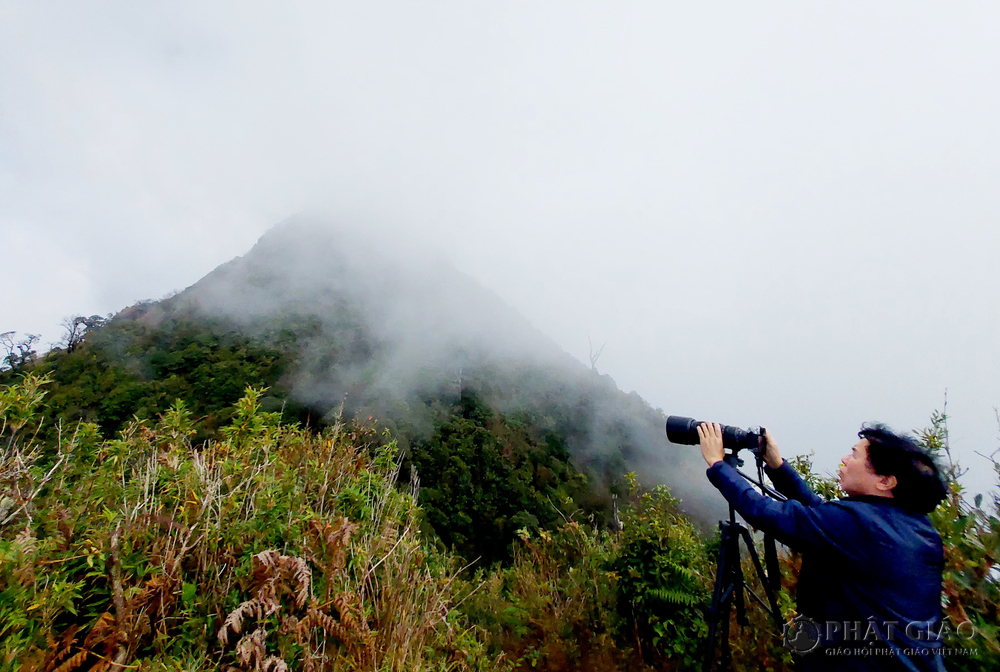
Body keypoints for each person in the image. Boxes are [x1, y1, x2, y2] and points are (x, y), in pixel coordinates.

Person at [699, 421, 948, 671]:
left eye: (854, 454)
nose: (844, 459)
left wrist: (718, 465)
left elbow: (767, 513)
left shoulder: (858, 525)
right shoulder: (920, 530)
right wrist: (777, 466)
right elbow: (819, 513)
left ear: (885, 481)